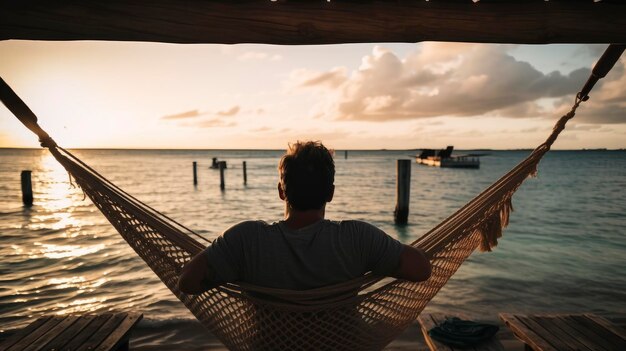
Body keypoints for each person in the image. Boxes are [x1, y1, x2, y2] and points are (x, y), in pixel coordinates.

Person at [178, 141, 431, 294]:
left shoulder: (245, 239)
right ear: (330, 193)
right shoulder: (358, 238)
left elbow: (188, 282)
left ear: (281, 191)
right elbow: (421, 269)